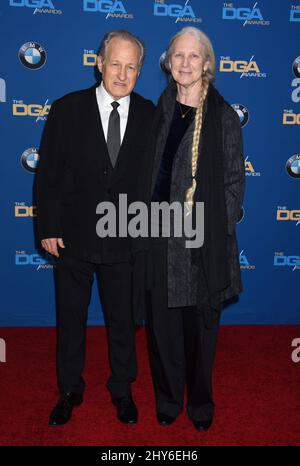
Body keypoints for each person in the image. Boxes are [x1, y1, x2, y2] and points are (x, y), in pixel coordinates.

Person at [35, 30, 155, 426]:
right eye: (115, 63)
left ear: (140, 71)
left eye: (131, 66)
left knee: (123, 322)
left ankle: (123, 389)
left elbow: (154, 183)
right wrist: (48, 226)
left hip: (126, 239)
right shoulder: (67, 109)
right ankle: (69, 390)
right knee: (71, 320)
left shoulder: (150, 115)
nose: (122, 74)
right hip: (73, 236)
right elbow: (48, 172)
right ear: (99, 63)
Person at [146, 27, 245, 431]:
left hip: (201, 242)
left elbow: (234, 185)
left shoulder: (222, 116)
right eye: (178, 56)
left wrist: (200, 228)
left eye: (193, 56)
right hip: (157, 237)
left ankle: (200, 406)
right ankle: (168, 401)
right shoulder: (159, 108)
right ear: (169, 64)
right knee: (163, 329)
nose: (185, 64)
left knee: (200, 332)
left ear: (208, 63)